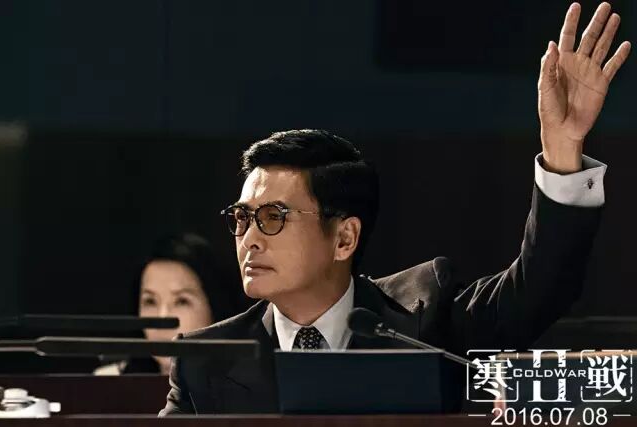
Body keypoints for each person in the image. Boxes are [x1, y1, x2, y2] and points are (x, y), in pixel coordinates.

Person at [160, 2, 631, 414]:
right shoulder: (205, 362)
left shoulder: (422, 318)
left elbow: (542, 287)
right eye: (242, 218)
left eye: (272, 218)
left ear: (344, 237)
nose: (249, 238)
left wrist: (562, 149)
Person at [95, 232, 247, 375]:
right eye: (150, 301)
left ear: (214, 308)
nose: (162, 318)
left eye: (181, 301)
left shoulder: (247, 385)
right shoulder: (109, 381)